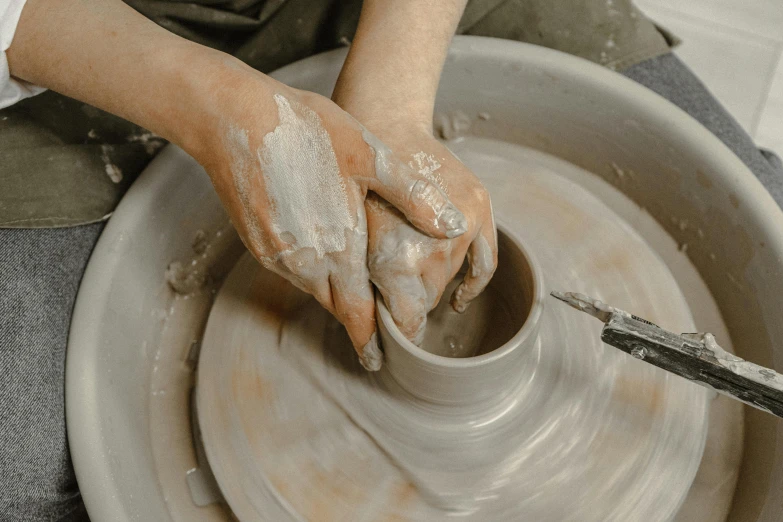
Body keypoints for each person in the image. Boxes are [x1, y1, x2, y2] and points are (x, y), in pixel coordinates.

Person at [1, 0, 781, 520]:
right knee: (19, 464)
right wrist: (213, 109)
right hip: (82, 33)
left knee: (763, 204)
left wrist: (394, 104)